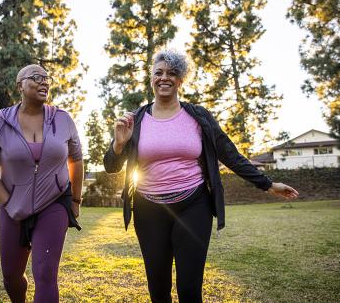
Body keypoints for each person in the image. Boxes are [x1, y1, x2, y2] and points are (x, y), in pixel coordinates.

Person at [103, 50, 299, 303]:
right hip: (148, 209)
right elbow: (111, 166)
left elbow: (229, 154)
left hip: (193, 206)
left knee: (189, 289)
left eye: (172, 73)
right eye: (159, 73)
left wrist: (268, 184)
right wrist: (119, 145)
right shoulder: (136, 120)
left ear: (181, 80)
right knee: (158, 289)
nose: (165, 78)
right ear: (151, 78)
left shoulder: (198, 117)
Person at [0, 64, 83, 303]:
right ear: (20, 85)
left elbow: (76, 159)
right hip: (14, 207)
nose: (44, 82)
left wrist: (75, 200)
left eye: (47, 78)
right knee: (11, 277)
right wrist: (9, 203)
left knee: (45, 274)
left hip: (54, 202)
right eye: (36, 77)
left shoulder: (63, 119)